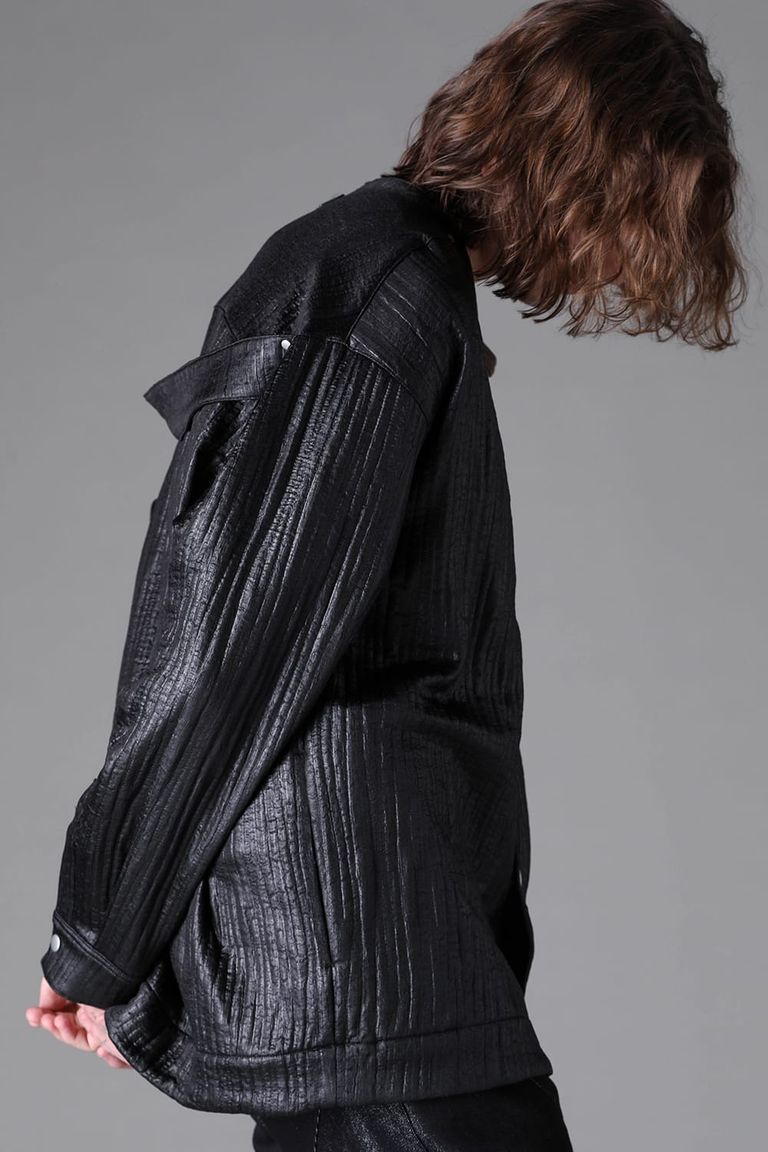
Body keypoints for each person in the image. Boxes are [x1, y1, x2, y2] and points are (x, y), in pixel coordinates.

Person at [26, 1, 748, 1149]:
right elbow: (235, 639)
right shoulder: (376, 289)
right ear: (577, 165)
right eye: (633, 210)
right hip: (360, 954)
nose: (625, 255)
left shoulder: (397, 281)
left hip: (371, 953)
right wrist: (106, 939)